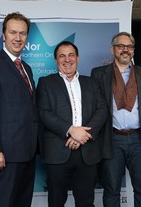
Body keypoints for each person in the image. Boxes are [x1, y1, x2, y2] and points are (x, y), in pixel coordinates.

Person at [0, 12, 38, 207]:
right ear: (3, 35)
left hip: (28, 152)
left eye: (23, 33)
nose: (18, 38)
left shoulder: (26, 68)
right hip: (5, 155)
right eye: (13, 32)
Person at [37, 41, 108, 207]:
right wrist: (71, 130)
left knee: (86, 201)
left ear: (78, 58)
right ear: (56, 60)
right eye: (62, 56)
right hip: (58, 152)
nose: (67, 59)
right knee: (56, 201)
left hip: (87, 151)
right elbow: (44, 113)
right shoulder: (46, 82)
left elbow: (102, 109)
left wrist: (83, 135)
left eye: (71, 55)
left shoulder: (91, 82)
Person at [91, 32, 141, 207]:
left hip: (139, 140)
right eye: (121, 46)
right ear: (113, 50)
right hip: (112, 139)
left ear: (134, 51)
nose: (125, 50)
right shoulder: (98, 74)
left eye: (129, 47)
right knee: (111, 190)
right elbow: (95, 107)